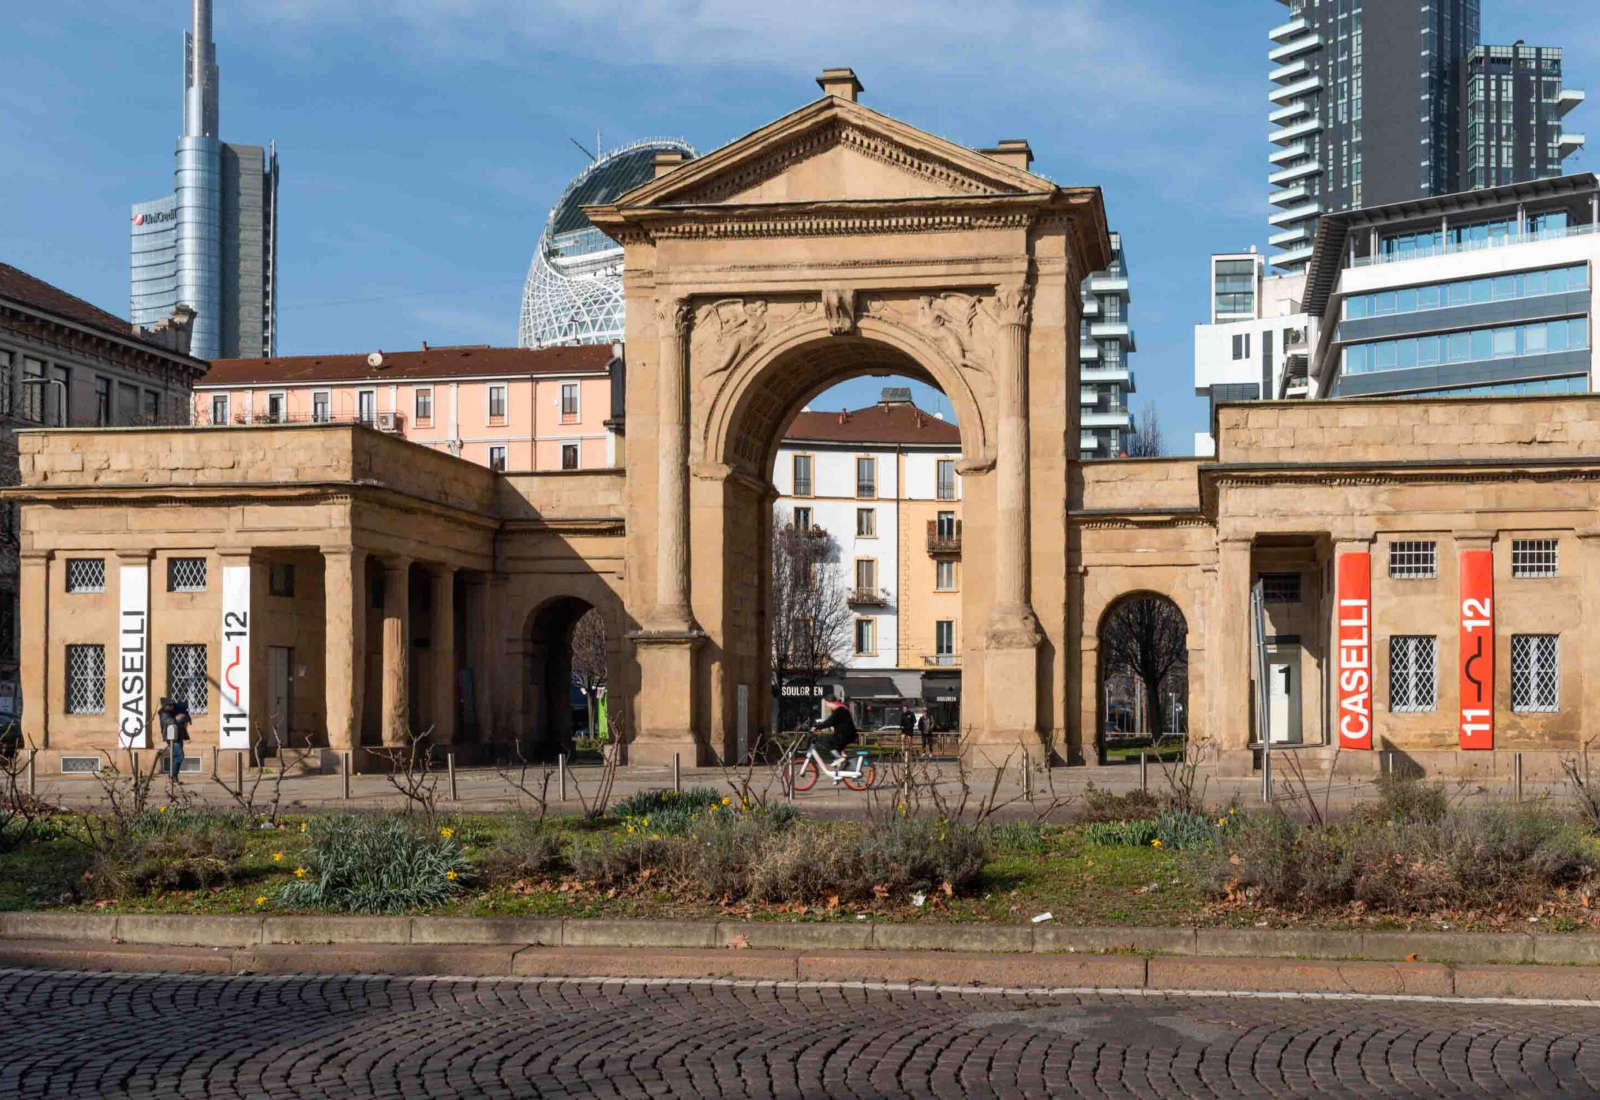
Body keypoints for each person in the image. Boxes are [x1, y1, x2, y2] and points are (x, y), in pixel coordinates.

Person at [809, 697, 858, 766]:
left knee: (824, 739)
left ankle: (840, 759)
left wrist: (816, 727)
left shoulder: (840, 710)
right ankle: (842, 764)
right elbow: (832, 722)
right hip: (845, 734)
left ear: (831, 702)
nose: (826, 706)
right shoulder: (842, 708)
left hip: (844, 735)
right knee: (836, 747)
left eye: (826, 704)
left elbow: (829, 722)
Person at [158, 697, 192, 780]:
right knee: (180, 756)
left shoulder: (172, 711)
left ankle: (173, 777)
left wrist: (184, 715)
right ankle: (173, 775)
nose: (172, 706)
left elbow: (186, 718)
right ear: (165, 706)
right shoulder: (163, 713)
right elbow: (169, 722)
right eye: (170, 705)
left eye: (172, 704)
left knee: (176, 757)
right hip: (172, 737)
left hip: (178, 736)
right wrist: (177, 718)